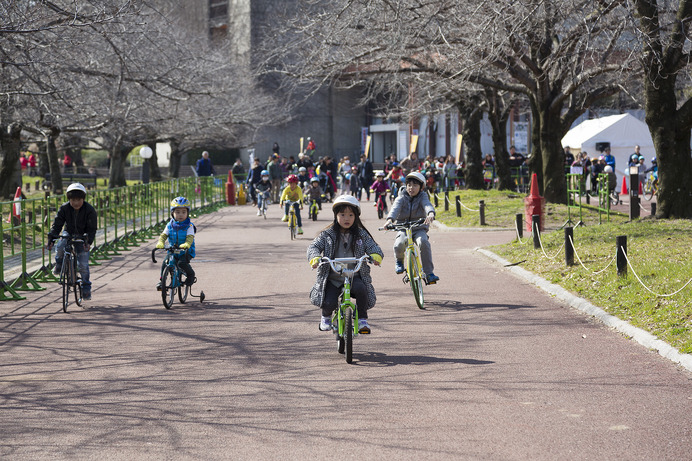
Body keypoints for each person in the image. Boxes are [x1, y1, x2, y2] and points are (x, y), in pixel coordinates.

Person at [307, 195, 383, 334]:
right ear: (336, 216)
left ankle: (362, 320)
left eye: (350, 215)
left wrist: (375, 255)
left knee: (362, 291)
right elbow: (314, 246)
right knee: (329, 302)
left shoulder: (361, 234)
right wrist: (315, 257)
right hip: (333, 277)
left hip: (354, 275)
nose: (346, 218)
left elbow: (373, 247)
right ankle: (325, 317)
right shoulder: (327, 234)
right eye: (342, 214)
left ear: (356, 217)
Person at [384, 171, 439, 284]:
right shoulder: (401, 197)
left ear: (421, 187)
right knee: (399, 243)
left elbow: (427, 204)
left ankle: (429, 273)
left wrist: (430, 213)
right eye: (409, 185)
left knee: (423, 242)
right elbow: (395, 208)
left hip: (418, 227)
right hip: (403, 227)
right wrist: (390, 220)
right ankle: (399, 261)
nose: (411, 188)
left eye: (415, 185)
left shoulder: (422, 196)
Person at [47, 183, 97, 301]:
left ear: (83, 199)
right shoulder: (64, 208)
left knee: (83, 265)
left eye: (78, 200)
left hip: (83, 236)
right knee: (60, 246)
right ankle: (59, 264)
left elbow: (92, 228)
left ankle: (86, 287)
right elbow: (57, 224)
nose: (76, 203)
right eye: (73, 200)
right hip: (68, 233)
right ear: (69, 199)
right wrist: (51, 238)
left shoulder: (89, 210)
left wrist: (88, 242)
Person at [155, 197, 196, 290]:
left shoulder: (189, 226)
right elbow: (164, 235)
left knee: (182, 263)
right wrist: (161, 241)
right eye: (177, 212)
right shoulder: (169, 225)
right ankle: (162, 281)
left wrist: (187, 244)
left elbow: (190, 237)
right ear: (172, 213)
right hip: (172, 249)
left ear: (187, 213)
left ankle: (191, 274)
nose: (180, 215)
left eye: (183, 212)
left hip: (186, 251)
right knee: (165, 263)